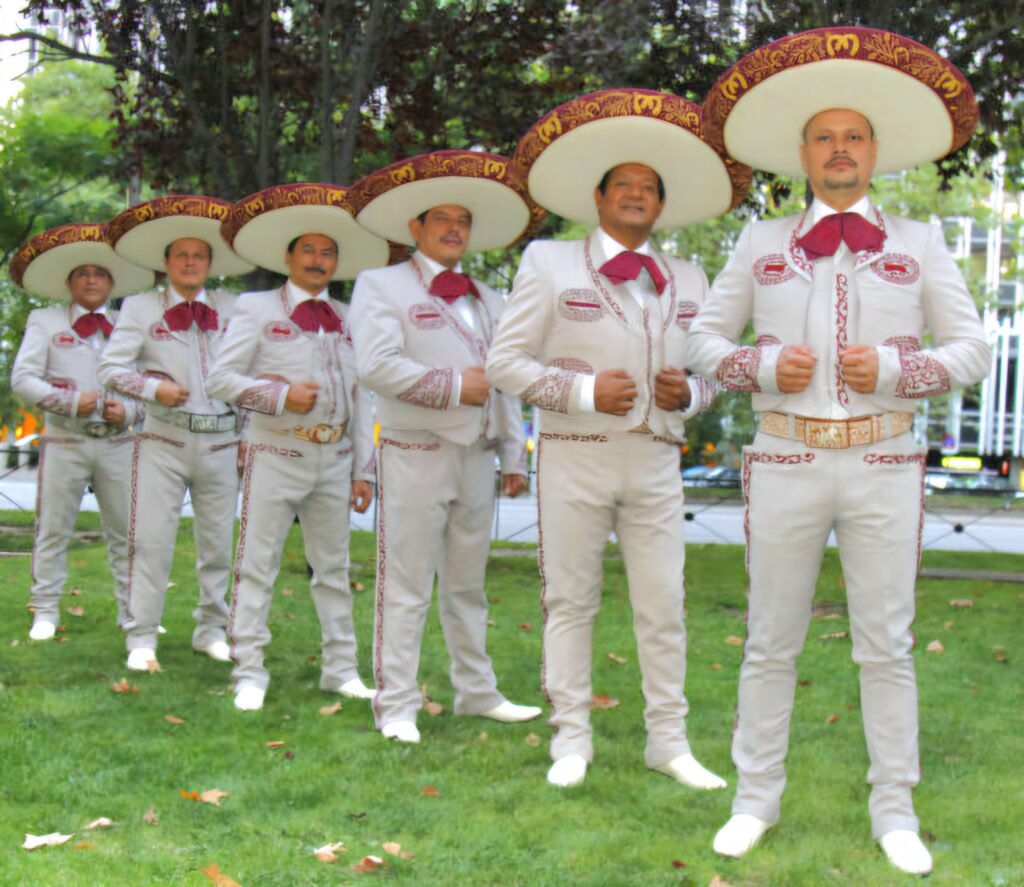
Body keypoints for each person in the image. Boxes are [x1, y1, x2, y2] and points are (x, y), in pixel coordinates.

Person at [691, 27, 990, 875]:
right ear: (803, 154)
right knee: (769, 639)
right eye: (823, 137)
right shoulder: (759, 243)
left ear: (874, 151)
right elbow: (703, 341)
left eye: (853, 136)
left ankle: (895, 807)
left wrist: (899, 368)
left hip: (885, 461)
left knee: (885, 644)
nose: (839, 150)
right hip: (784, 457)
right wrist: (758, 366)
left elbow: (974, 349)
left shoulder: (922, 244)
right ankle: (755, 800)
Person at [487, 89, 750, 787]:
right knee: (571, 599)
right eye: (623, 185)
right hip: (577, 454)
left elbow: (715, 370)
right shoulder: (548, 262)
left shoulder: (688, 276)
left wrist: (690, 395)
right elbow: (503, 364)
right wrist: (582, 392)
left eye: (649, 188)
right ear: (598, 199)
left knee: (664, 604)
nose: (636, 194)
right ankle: (570, 736)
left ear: (660, 207)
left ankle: (669, 740)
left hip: (658, 461)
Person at [348, 150, 544, 743]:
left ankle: (477, 693)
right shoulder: (380, 284)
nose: (454, 229)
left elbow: (507, 376)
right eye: (442, 220)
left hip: (478, 458)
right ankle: (397, 705)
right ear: (417, 229)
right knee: (405, 584)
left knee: (467, 584)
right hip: (416, 450)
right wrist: (456, 386)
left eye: (462, 221)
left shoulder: (489, 295)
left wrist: (513, 452)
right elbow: (376, 365)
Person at [207, 183, 389, 711]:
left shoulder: (350, 316)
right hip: (274, 453)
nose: (318, 260)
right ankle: (249, 670)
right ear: (289, 257)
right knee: (255, 565)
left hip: (333, 462)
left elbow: (361, 398)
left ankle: (341, 669)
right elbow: (221, 378)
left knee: (333, 570)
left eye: (327, 252)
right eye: (308, 250)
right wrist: (281, 396)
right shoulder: (257, 306)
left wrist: (365, 470)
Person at [98, 196, 254, 672]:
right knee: (150, 540)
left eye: (199, 256)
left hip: (223, 442)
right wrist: (151, 388)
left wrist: (247, 434)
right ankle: (141, 636)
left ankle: (211, 630)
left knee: (217, 542)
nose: (191, 263)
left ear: (210, 263)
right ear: (166, 263)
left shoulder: (234, 307)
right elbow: (109, 367)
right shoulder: (141, 306)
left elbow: (252, 372)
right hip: (162, 440)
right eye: (181, 255)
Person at [10, 223, 154, 640]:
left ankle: (133, 613)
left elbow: (149, 387)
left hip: (119, 444)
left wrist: (127, 411)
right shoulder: (45, 320)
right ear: (69, 282)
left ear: (112, 283)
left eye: (100, 274)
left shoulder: (130, 325)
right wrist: (74, 402)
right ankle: (45, 611)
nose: (92, 280)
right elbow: (24, 379)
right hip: (65, 440)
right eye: (83, 274)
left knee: (128, 534)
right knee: (52, 529)